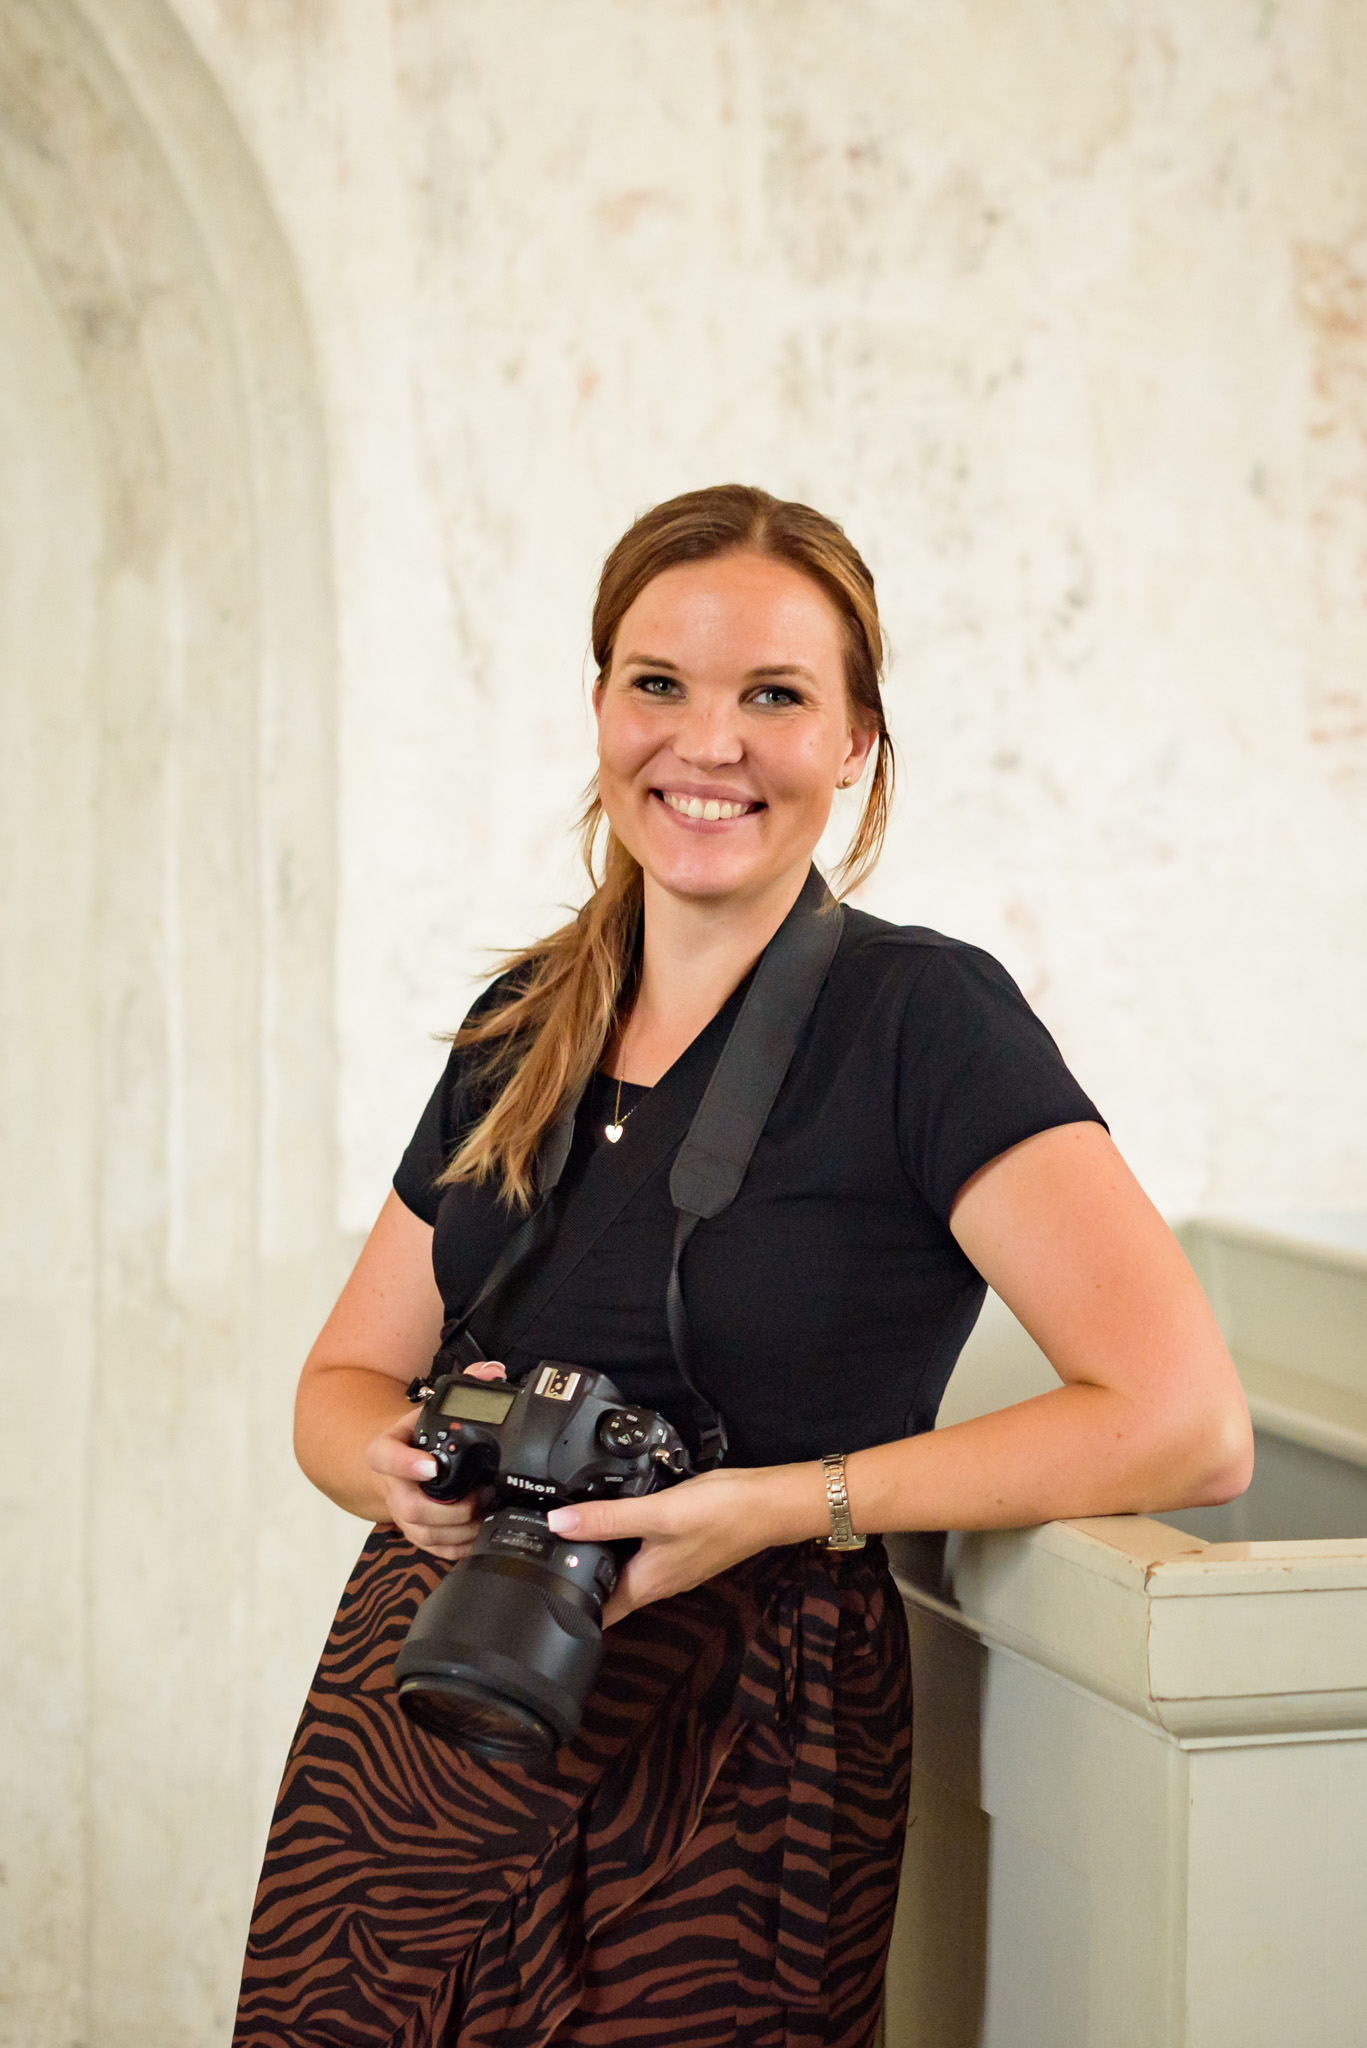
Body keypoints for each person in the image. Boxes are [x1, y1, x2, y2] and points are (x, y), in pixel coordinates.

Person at [234, 485, 1253, 2048]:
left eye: (773, 696)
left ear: (855, 743)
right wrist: (391, 1469)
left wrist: (779, 1502)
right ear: (598, 709)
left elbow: (1186, 1420)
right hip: (431, 1696)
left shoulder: (926, 1020)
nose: (706, 745)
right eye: (660, 685)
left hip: (739, 1742)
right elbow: (338, 1380)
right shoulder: (526, 1023)